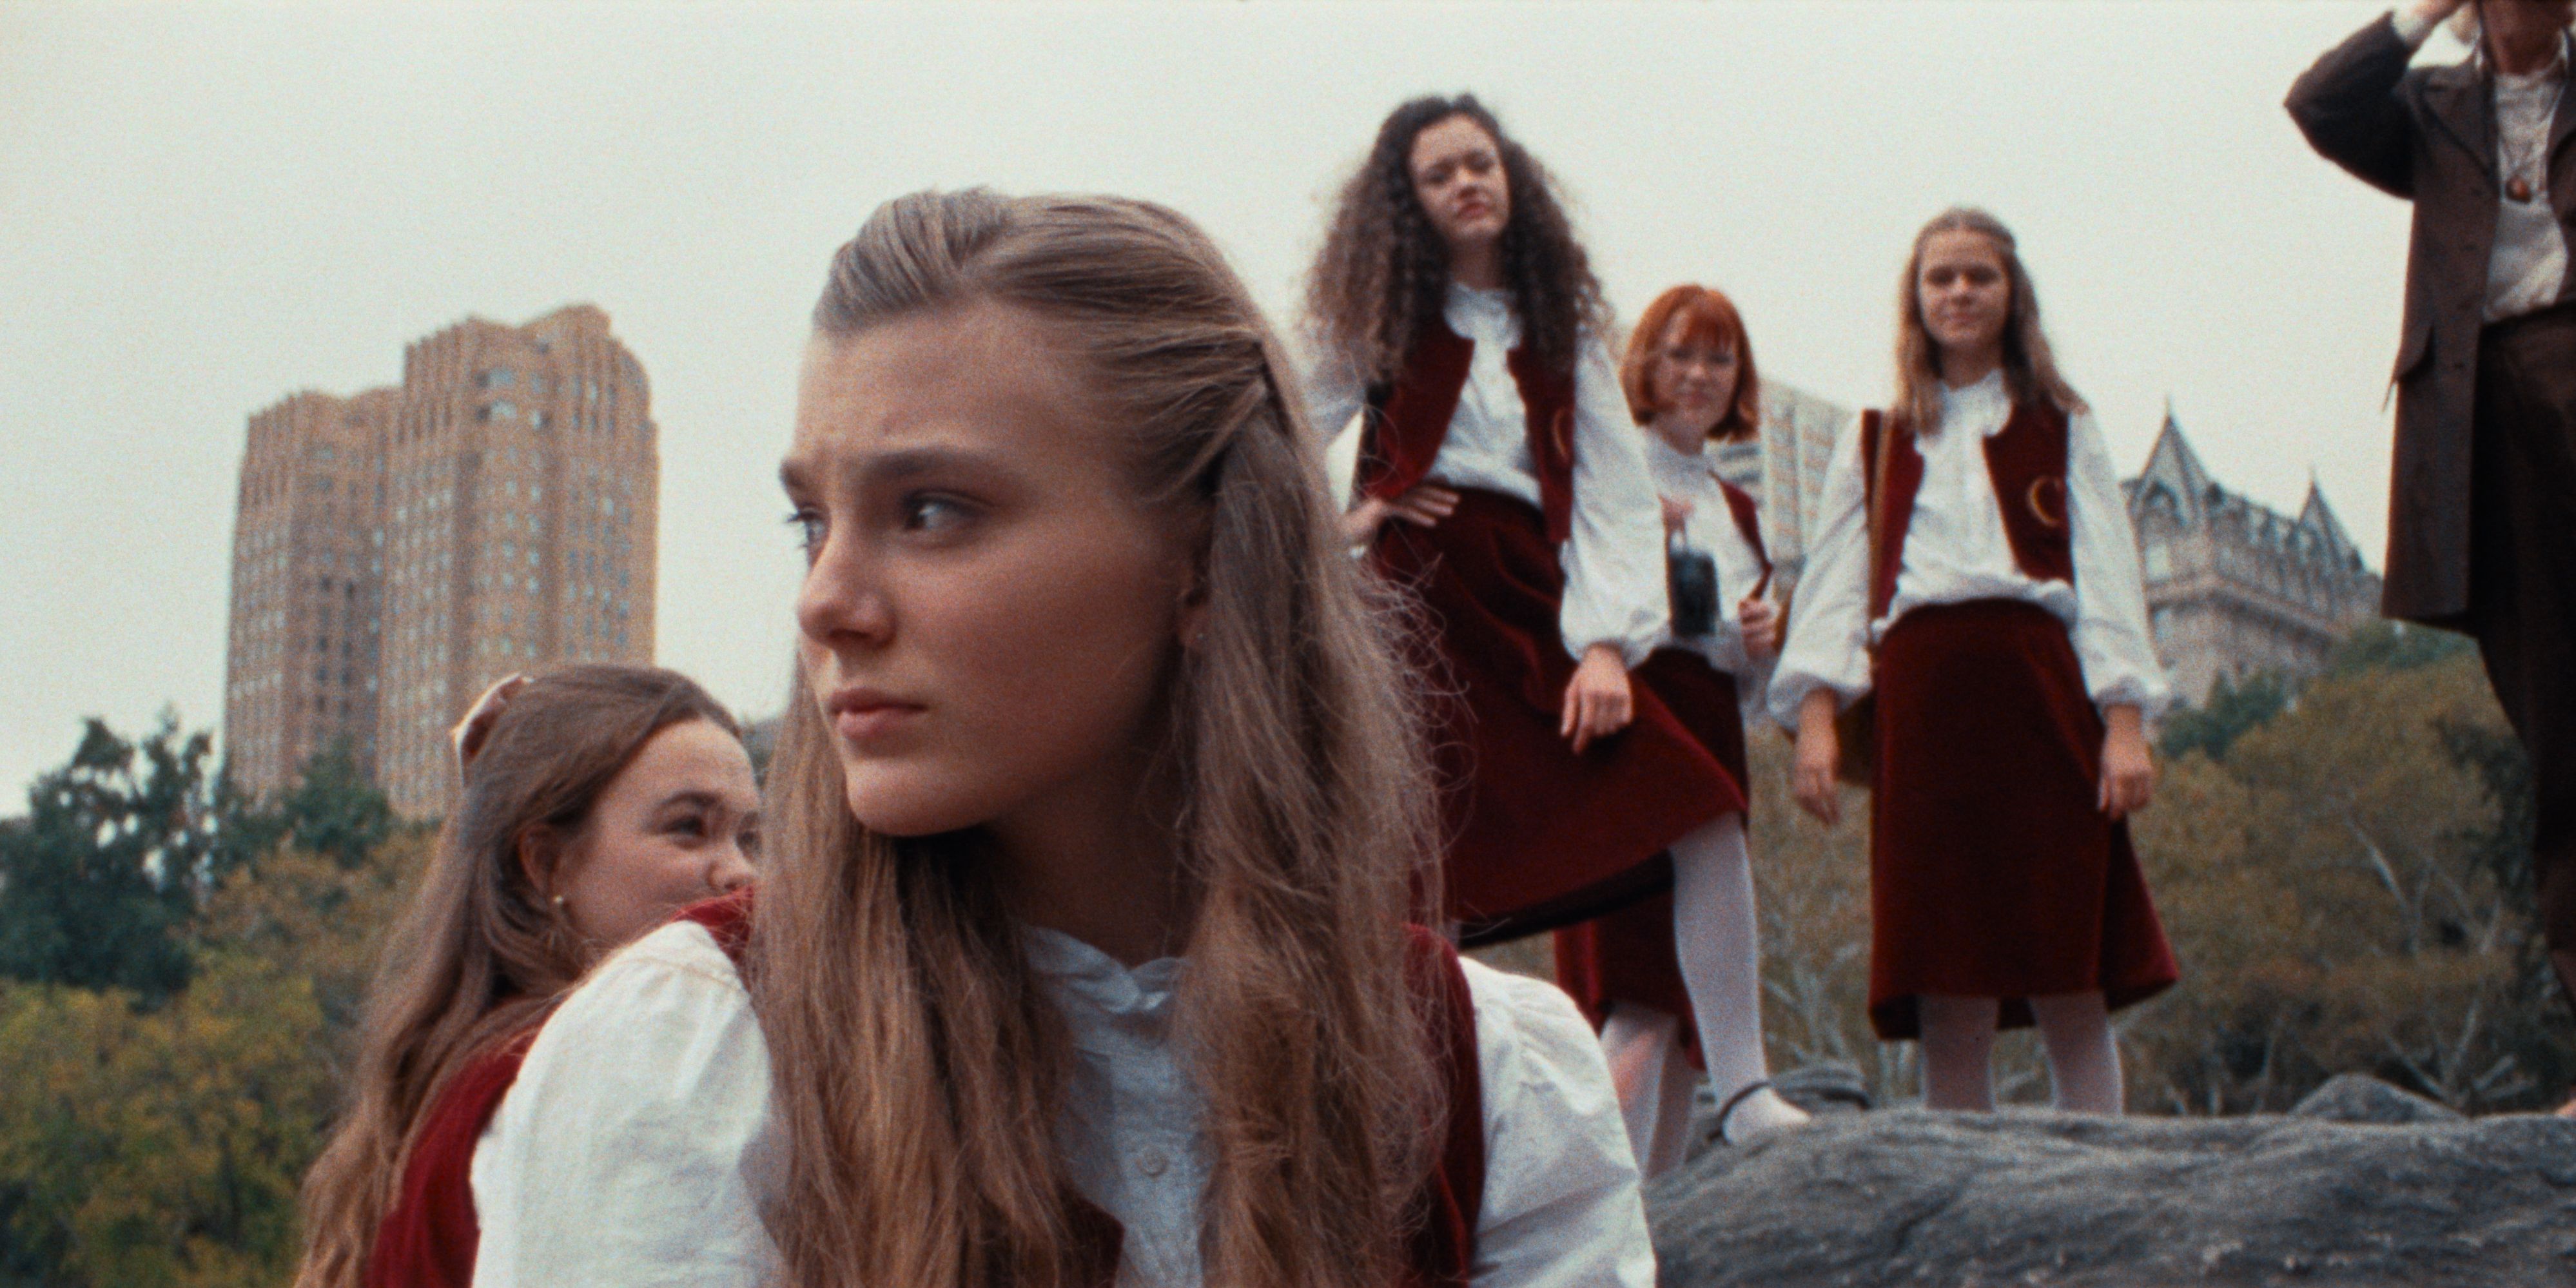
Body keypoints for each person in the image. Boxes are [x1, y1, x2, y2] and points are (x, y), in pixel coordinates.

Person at [467, 190, 1653, 1288]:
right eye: (812, 521)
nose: (825, 600)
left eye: (932, 510)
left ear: (1203, 559)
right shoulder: (688, 1058)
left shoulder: (1484, 1073)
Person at [1302, 97, 1799, 1147]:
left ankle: (1748, 1093)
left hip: (1537, 592)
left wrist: (1608, 645)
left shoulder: (1556, 324)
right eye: (1439, 174)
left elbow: (1616, 494)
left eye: (1480, 163)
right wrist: (1355, 519)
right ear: (1406, 202)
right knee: (1420, 868)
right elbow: (1274, 426)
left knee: (1703, 808)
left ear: (1511, 176)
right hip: (1418, 604)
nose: (1466, 184)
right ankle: (1413, 1138)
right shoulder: (1377, 319)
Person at [1770, 208, 2178, 1114]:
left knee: (2071, 959)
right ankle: (1962, 1181)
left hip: (2041, 695)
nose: (1959, 293)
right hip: (1924, 708)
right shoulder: (1875, 439)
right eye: (1941, 278)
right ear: (1915, 299)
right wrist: (1817, 721)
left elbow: (2108, 573)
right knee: (1946, 973)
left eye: (1979, 276)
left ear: (2011, 293)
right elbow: (1835, 584)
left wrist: (2124, 723)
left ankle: (2106, 1170)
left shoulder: (2062, 424)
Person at [2288, 0, 2576, 1113]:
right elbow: (2321, 105)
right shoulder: (2433, 109)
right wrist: (2419, 16)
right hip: (2484, 425)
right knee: (2561, 742)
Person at [291, 665, 759, 1288]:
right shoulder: (579, 1071)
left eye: (750, 837)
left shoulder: (478, 1074)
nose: (740, 873)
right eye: (689, 827)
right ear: (546, 863)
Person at [1551, 284, 1810, 1169]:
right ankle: (1590, 1198)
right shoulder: (1607, 468)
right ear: (1645, 366)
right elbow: (1573, 601)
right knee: (1633, 988)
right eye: (1680, 354)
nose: (1699, 375)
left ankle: (1655, 1215)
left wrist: (1757, 642)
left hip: (1708, 723)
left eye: (1719, 358)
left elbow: (1739, 678)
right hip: (1634, 720)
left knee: (1668, 1004)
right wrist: (1637, 547)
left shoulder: (1739, 508)